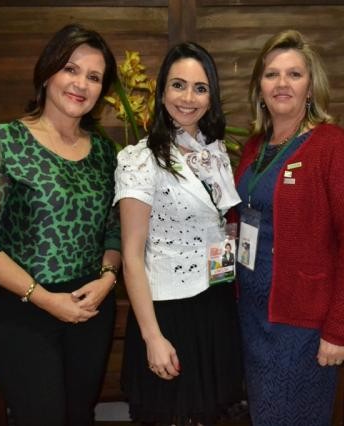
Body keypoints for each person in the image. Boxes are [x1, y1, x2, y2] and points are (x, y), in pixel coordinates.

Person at [0, 24, 121, 426]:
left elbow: (114, 230)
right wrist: (44, 298)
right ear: (48, 72)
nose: (81, 84)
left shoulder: (105, 152)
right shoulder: (6, 141)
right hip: (23, 308)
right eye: (71, 69)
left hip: (90, 308)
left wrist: (107, 278)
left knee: (79, 415)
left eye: (94, 77)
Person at [233, 30, 344, 425]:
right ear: (259, 87)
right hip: (253, 313)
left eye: (294, 74)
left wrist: (339, 329)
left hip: (302, 323)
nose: (282, 83)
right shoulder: (255, 146)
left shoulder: (333, 145)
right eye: (272, 74)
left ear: (310, 87)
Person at [114, 42, 243, 425]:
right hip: (168, 311)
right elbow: (131, 257)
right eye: (178, 85)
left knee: (212, 413)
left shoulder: (214, 153)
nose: (188, 98)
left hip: (215, 304)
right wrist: (152, 337)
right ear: (162, 92)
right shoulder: (140, 159)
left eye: (200, 88)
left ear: (211, 96)